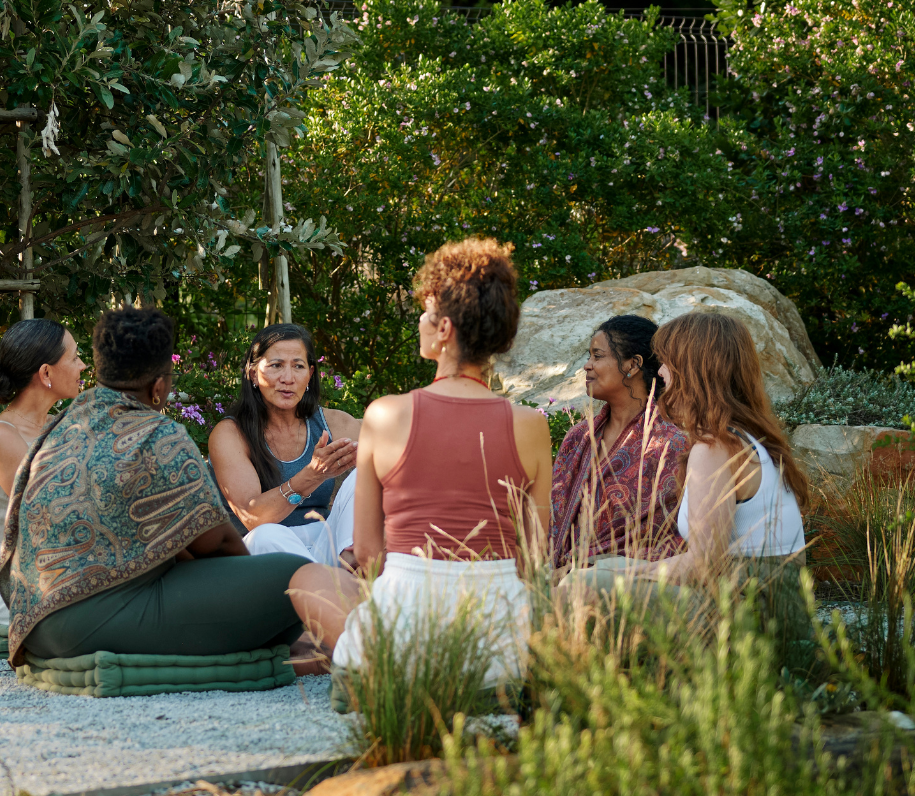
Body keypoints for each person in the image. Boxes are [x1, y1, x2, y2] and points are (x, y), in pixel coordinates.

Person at [288, 239, 552, 687]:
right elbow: (534, 559)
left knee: (309, 577)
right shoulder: (530, 425)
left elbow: (370, 554)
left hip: (407, 641)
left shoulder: (386, 414)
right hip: (500, 647)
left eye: (427, 313)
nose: (421, 323)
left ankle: (380, 673)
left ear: (445, 328)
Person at [0, 307, 312, 666]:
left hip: (32, 627)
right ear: (159, 385)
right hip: (87, 626)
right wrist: (250, 588)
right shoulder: (160, 436)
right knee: (292, 578)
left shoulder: (61, 427)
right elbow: (220, 543)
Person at [587, 310, 810, 599]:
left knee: (586, 586)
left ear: (691, 369)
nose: (661, 372)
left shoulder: (714, 448)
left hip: (751, 614)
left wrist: (626, 574)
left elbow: (704, 566)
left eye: (666, 361)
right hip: (765, 600)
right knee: (600, 569)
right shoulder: (745, 437)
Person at [0, 319, 84, 656]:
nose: (82, 365)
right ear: (46, 374)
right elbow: (54, 513)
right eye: (74, 357)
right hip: (7, 578)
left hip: (63, 566)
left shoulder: (64, 428)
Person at [205, 323, 361, 567]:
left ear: (309, 375)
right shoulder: (230, 434)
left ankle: (345, 574)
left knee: (363, 476)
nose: (287, 378)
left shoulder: (331, 423)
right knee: (266, 534)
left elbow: (397, 440)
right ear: (253, 374)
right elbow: (253, 518)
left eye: (298, 366)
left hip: (324, 542)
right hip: (265, 554)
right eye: (276, 365)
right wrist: (312, 475)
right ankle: (335, 590)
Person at [548, 315, 689, 569]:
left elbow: (676, 539)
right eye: (589, 356)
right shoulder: (578, 439)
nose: (587, 366)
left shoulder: (671, 444)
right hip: (555, 581)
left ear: (632, 364)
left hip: (630, 589)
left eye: (597, 356)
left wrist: (592, 570)